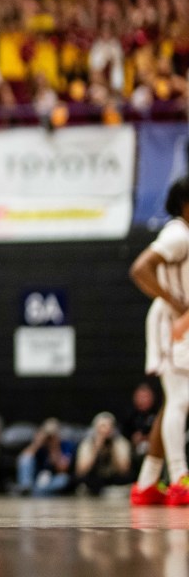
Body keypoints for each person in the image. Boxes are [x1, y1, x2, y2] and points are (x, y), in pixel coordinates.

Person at [128, 175, 189, 506]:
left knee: (173, 402)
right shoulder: (178, 233)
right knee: (181, 399)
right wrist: (176, 304)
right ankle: (180, 479)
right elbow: (140, 268)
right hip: (174, 324)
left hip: (181, 322)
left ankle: (148, 482)